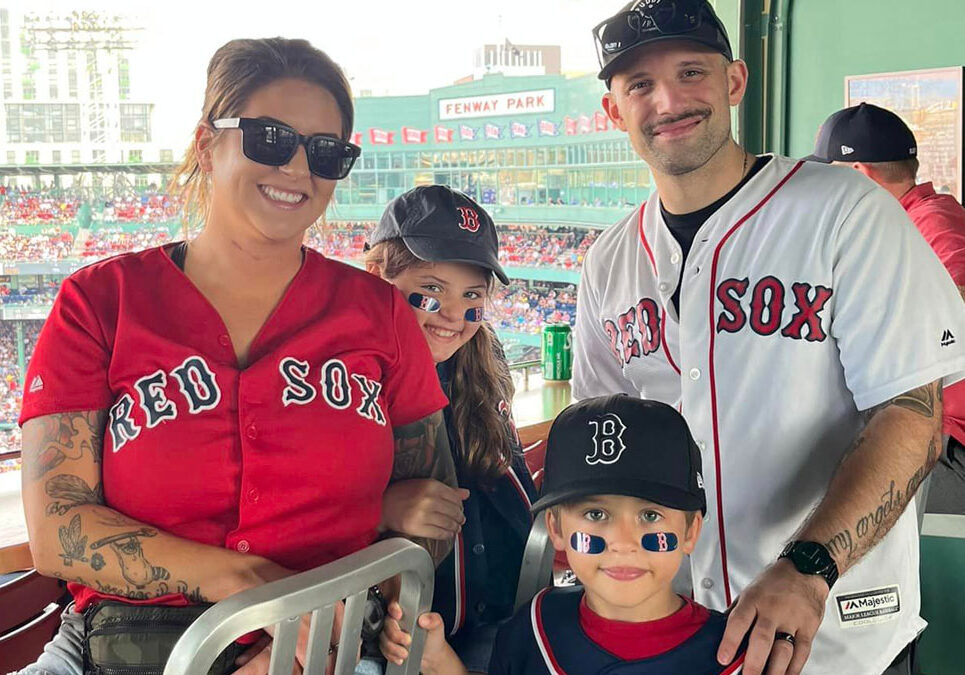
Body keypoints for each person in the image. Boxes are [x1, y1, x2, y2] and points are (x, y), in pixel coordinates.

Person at [18, 38, 457, 675]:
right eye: (271, 139)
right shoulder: (99, 303)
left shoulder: (381, 315)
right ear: (206, 144)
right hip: (117, 648)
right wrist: (259, 589)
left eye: (327, 152)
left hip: (327, 648)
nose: (299, 169)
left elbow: (428, 515)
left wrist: (333, 631)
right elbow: (58, 530)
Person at [571, 1, 965, 674]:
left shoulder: (845, 212)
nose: (668, 100)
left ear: (733, 82)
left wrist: (807, 567)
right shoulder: (609, 261)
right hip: (678, 627)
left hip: (836, 632)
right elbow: (601, 436)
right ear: (613, 111)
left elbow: (912, 415)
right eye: (639, 84)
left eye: (690, 71)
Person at [380, 395, 748, 674]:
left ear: (690, 531)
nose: (622, 540)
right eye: (596, 513)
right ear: (555, 528)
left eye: (650, 515)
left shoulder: (733, 654)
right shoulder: (536, 622)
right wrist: (438, 659)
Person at [364, 185, 537, 674]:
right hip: (394, 636)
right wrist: (379, 510)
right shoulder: (346, 373)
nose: (454, 316)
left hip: (499, 617)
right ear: (379, 275)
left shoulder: (485, 356)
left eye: (472, 296)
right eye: (432, 290)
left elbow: (507, 475)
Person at [806, 103, 965, 511]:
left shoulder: (932, 220)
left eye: (829, 176)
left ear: (859, 175)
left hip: (948, 437)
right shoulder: (900, 220)